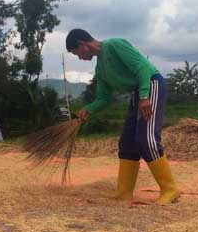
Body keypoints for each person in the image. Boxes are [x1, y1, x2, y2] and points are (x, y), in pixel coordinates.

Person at [66, 29, 180, 205]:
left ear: (82, 45)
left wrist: (144, 96)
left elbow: (142, 67)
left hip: (151, 85)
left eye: (76, 53)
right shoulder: (100, 68)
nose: (79, 58)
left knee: (146, 139)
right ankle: (124, 193)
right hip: (138, 93)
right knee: (127, 143)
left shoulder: (114, 45)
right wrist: (88, 110)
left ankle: (170, 189)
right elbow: (104, 98)